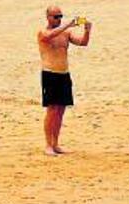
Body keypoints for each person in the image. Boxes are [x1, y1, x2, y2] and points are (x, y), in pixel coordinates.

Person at [37, 6, 92, 156]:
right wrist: (67, 24)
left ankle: (56, 143)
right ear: (48, 17)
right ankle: (48, 144)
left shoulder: (65, 33)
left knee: (60, 111)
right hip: (50, 74)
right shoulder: (43, 32)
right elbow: (48, 37)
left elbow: (83, 43)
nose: (58, 19)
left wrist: (87, 30)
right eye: (55, 17)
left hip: (63, 74)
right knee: (52, 110)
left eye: (60, 16)